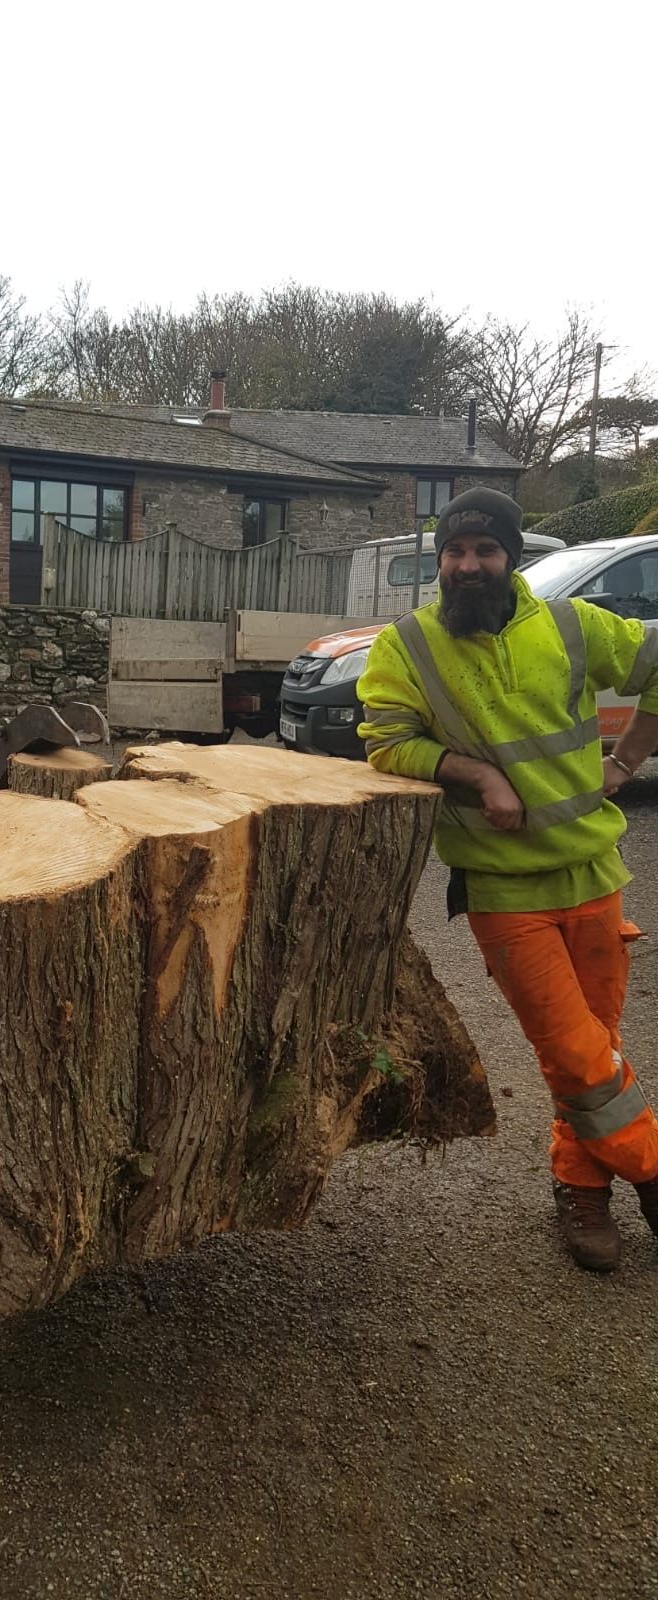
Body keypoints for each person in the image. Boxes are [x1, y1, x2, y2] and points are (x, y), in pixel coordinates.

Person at [357, 486, 658, 1272]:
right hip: (501, 888)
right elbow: (386, 743)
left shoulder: (570, 625)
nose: (467, 565)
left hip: (594, 872)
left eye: (484, 551)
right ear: (440, 561)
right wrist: (475, 777)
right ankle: (652, 1169)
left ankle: (582, 1190)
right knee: (571, 1045)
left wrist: (627, 761)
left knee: (590, 1050)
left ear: (511, 557)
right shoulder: (410, 645)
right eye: (455, 552)